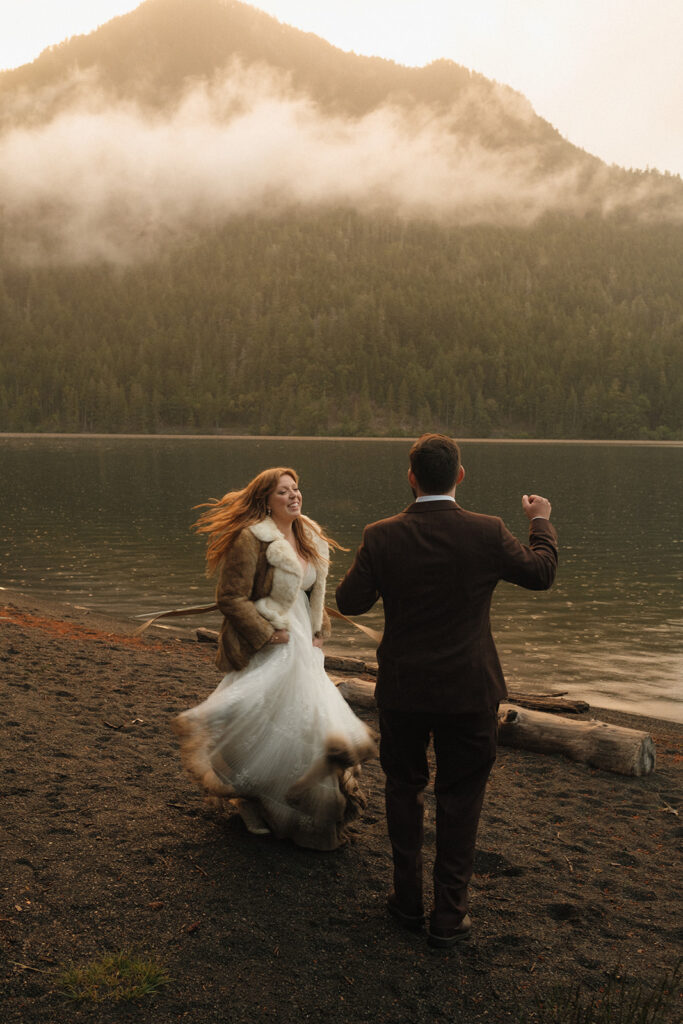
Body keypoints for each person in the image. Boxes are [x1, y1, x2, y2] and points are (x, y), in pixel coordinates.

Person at [335, 434, 558, 946]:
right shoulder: (487, 531)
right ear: (460, 475)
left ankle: (407, 904)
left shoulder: (382, 534)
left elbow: (350, 602)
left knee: (404, 788)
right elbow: (542, 574)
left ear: (411, 478)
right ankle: (449, 917)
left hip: (403, 689)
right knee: (460, 798)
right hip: (469, 692)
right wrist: (540, 519)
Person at [172, 467, 377, 851]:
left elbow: (313, 593)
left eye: (296, 489)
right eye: (283, 492)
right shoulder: (252, 538)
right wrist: (266, 634)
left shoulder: (310, 535)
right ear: (266, 499)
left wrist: (319, 631)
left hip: (305, 646)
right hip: (269, 644)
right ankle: (250, 798)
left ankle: (294, 805)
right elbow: (230, 597)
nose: (294, 496)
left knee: (306, 723)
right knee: (260, 721)